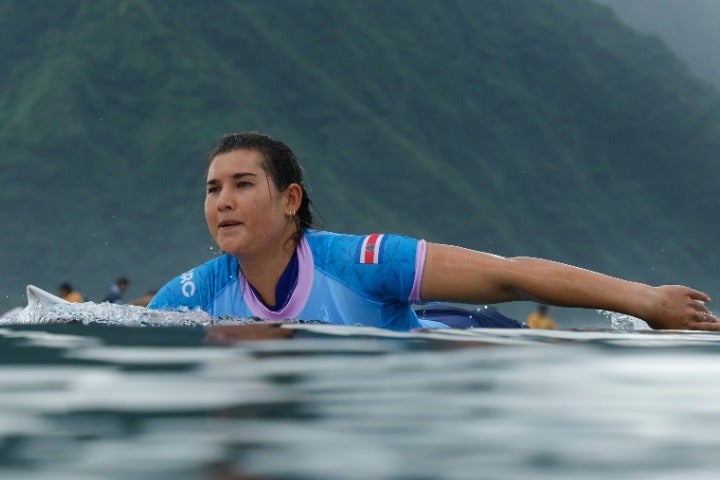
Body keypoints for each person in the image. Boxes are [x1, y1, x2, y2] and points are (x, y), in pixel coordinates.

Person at [148, 131, 720, 333]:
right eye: (212, 189)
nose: (223, 202)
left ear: (290, 199)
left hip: (457, 336)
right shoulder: (196, 294)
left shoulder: (363, 263)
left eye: (242, 184)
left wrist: (650, 302)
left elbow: (509, 276)